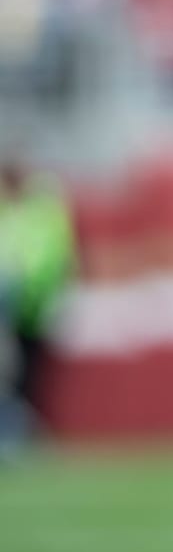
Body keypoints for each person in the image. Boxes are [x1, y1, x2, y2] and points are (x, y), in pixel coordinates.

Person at [0, 158, 76, 447]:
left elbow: (42, 263)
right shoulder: (23, 212)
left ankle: (19, 435)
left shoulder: (37, 212)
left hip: (27, 309)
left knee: (25, 376)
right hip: (20, 307)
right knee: (17, 376)